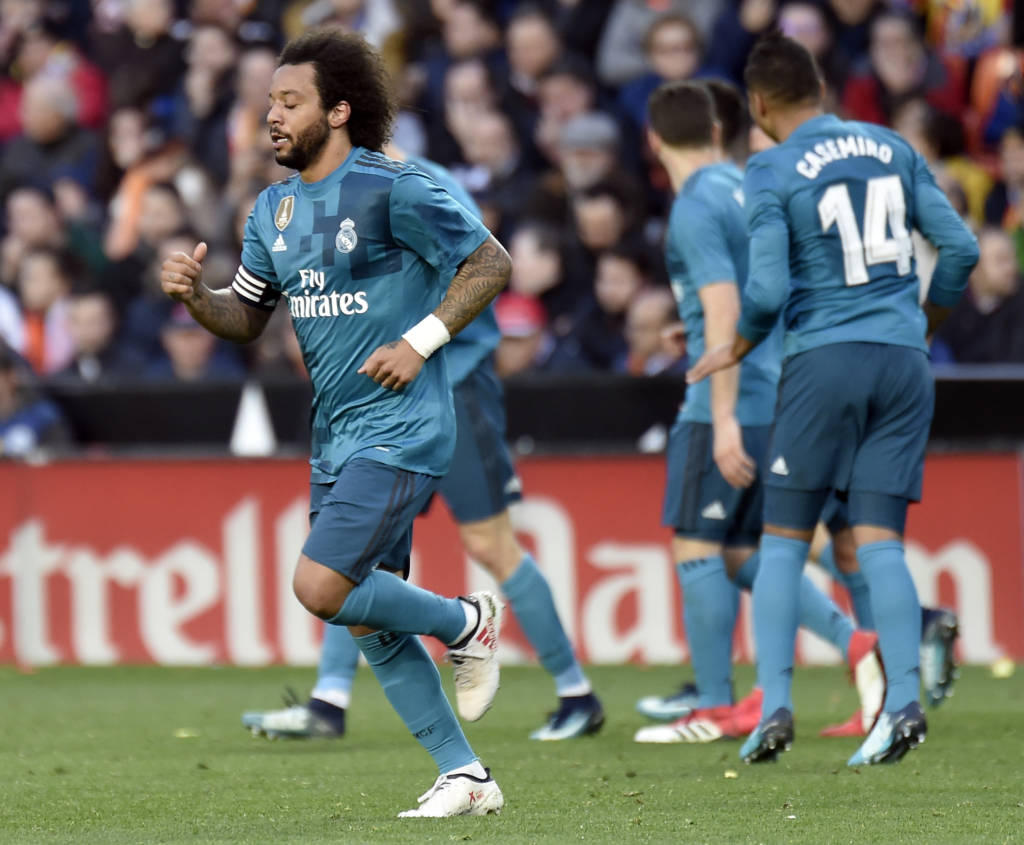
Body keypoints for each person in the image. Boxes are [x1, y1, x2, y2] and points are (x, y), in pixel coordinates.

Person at [160, 29, 512, 818]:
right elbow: (246, 317)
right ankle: (465, 774)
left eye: (290, 102)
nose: (273, 116)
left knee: (321, 585)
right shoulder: (272, 210)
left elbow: (491, 262)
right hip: (337, 434)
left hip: (404, 426)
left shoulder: (395, 187)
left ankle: (467, 619)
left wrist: (420, 342)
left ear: (340, 110)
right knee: (365, 616)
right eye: (270, 102)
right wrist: (196, 298)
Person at [243, 147, 603, 744]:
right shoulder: (329, 191)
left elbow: (480, 271)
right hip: (375, 403)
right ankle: (330, 700)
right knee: (351, 553)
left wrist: (421, 346)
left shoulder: (414, 184)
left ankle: (575, 692)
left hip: (448, 389)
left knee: (489, 543)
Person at [687, 34, 978, 766]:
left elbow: (765, 291)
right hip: (904, 361)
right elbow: (961, 249)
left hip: (825, 360)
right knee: (881, 542)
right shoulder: (892, 146)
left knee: (784, 542)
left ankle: (774, 711)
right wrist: (924, 323)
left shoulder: (772, 166)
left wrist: (738, 346)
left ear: (758, 104)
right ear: (819, 89)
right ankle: (901, 703)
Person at [632, 80, 883, 744]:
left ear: (653, 140)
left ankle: (714, 705)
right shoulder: (750, 188)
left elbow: (724, 306)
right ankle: (856, 642)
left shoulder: (694, 205)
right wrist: (698, 332)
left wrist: (721, 420)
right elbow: (772, 293)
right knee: (742, 551)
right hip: (779, 391)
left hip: (728, 402)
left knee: (696, 546)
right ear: (717, 132)